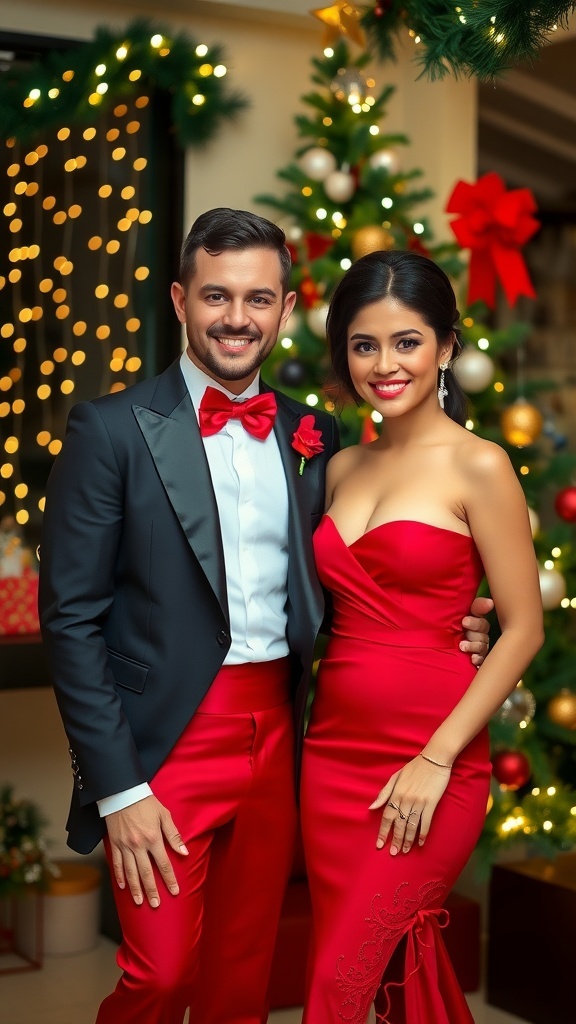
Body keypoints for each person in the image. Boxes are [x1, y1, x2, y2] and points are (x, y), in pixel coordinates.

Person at [38, 211, 491, 1024]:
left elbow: (362, 572)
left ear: (285, 311)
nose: (236, 318)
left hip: (283, 736)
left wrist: (466, 621)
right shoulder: (110, 430)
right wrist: (118, 788)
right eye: (217, 295)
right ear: (180, 300)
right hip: (164, 745)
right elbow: (69, 621)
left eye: (258, 298)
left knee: (241, 977)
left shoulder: (315, 436)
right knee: (162, 975)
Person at [300, 250, 544, 1024]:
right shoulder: (339, 468)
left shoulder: (481, 466)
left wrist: (436, 758)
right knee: (387, 971)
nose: (384, 364)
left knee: (338, 988)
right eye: (364, 344)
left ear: (445, 346)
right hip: (330, 757)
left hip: (431, 761)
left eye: (406, 342)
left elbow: (523, 628)